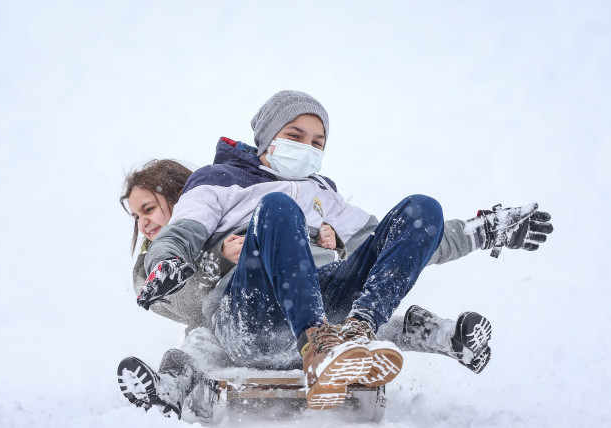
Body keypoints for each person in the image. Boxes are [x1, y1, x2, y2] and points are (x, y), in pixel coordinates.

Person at [123, 91, 553, 415]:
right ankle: (316, 346)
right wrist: (169, 260)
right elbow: (181, 230)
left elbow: (395, 245)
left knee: (422, 210)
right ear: (268, 138)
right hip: (251, 316)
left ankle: (356, 332)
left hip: (329, 310)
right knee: (277, 210)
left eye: (317, 141)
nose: (308, 147)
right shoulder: (217, 180)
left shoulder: (324, 195)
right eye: (295, 136)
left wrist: (483, 232)